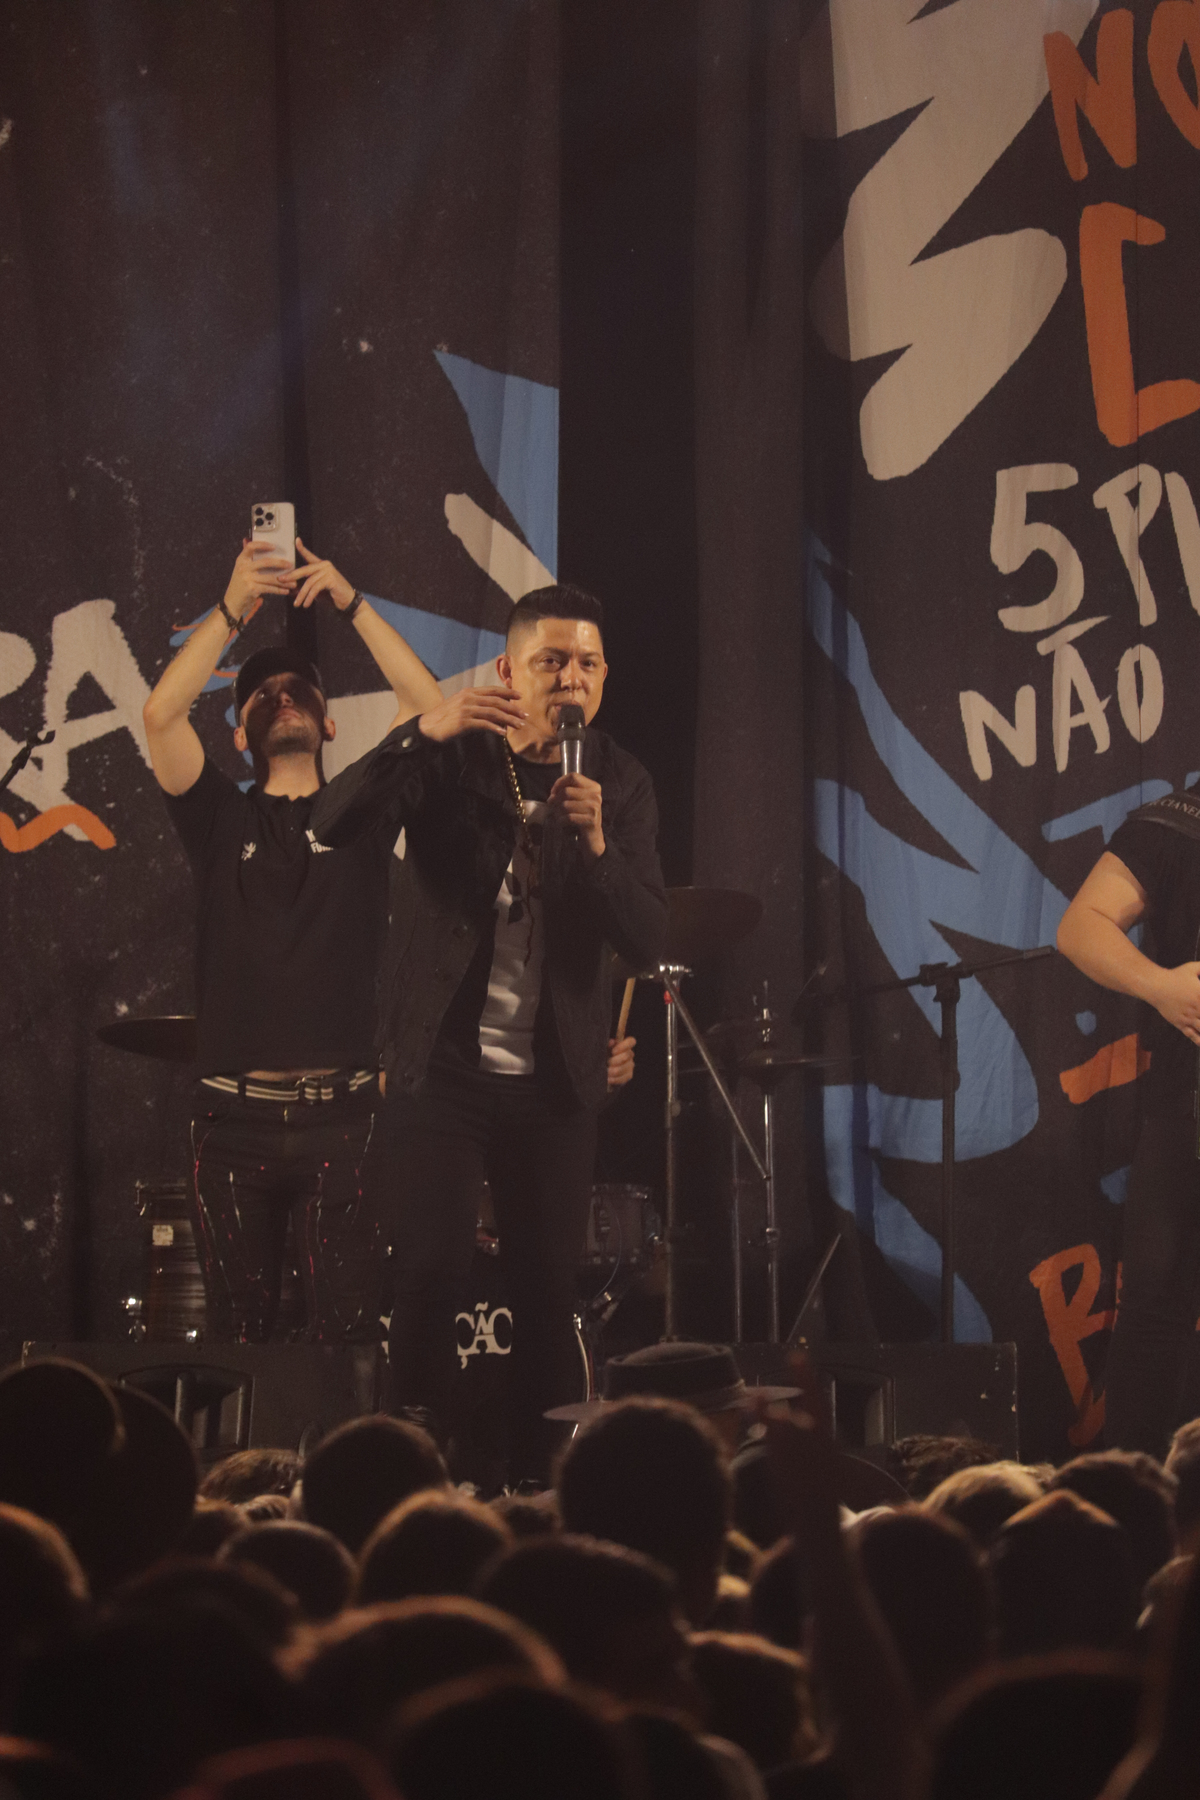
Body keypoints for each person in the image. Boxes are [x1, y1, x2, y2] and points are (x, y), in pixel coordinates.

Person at [311, 583, 666, 1478]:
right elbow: (333, 824)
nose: (572, 679)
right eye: (553, 661)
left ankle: (544, 1482)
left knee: (547, 1291)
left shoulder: (619, 781)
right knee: (429, 1271)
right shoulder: (456, 753)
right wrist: (419, 732)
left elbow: (649, 939)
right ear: (510, 669)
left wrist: (597, 848)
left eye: (588, 663)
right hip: (443, 1069)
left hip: (555, 1082)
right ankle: (405, 1473)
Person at [142, 536, 443, 1343]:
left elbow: (428, 710)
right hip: (229, 1122)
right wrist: (233, 605)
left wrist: (350, 602)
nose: (280, 697)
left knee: (343, 1340)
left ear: (329, 721)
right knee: (240, 1342)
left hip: (345, 1117)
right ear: (240, 735)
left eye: (298, 689)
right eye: (260, 695)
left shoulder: (364, 807)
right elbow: (160, 714)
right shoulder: (216, 819)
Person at [1056, 792, 1200, 1454]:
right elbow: (1081, 925)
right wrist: (1161, 986)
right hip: (1189, 1111)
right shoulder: (1181, 822)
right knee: (1155, 1309)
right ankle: (1135, 1493)